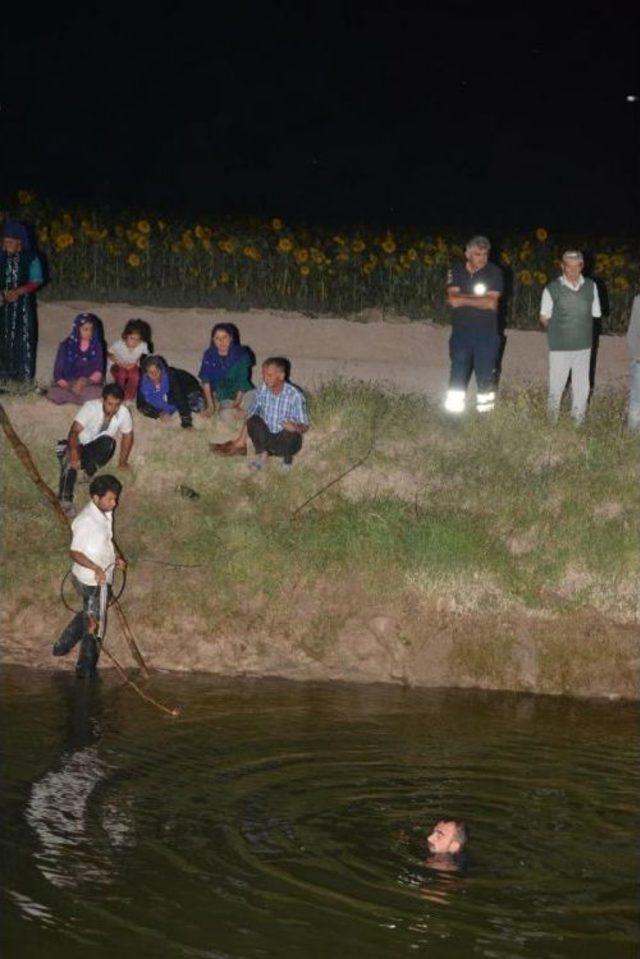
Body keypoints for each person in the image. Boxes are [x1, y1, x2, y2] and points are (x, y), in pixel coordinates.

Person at [53, 474, 126, 679]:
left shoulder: (104, 512)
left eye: (115, 498)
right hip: (93, 581)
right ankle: (85, 669)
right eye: (111, 499)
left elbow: (106, 539)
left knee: (89, 613)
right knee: (96, 623)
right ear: (96, 498)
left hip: (92, 576)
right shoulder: (86, 521)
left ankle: (62, 646)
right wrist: (96, 568)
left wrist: (116, 557)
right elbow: (74, 552)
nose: (115, 503)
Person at [539, 250, 601, 424]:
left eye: (576, 266)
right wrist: (558, 331)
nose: (572, 271)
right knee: (556, 386)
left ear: (582, 266)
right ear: (562, 266)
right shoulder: (551, 288)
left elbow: (595, 314)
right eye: (568, 266)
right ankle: (551, 423)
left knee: (582, 386)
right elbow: (544, 318)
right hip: (559, 348)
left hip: (584, 346)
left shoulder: (591, 286)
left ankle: (578, 422)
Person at [445, 235, 504, 414]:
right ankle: (453, 420)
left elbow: (491, 303)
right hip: (461, 335)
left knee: (486, 379)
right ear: (467, 254)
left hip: (487, 335)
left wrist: (464, 297)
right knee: (457, 379)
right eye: (478, 254)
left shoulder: (494, 272)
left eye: (485, 254)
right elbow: (453, 301)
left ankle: (485, 422)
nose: (483, 258)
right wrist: (480, 298)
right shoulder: (454, 271)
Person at [57, 383, 133, 516]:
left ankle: (88, 473)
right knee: (69, 458)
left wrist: (122, 462)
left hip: (93, 448)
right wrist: (75, 453)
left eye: (117, 404)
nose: (114, 408)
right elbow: (74, 432)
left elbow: (128, 436)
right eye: (110, 403)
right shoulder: (90, 407)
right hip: (77, 444)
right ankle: (65, 499)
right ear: (102, 400)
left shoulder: (123, 412)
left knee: (109, 444)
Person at [243, 357, 309, 472]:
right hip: (267, 439)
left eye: (269, 375)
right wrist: (241, 436)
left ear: (281, 376)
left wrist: (295, 427)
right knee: (253, 421)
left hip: (286, 442)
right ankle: (263, 457)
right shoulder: (262, 390)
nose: (265, 378)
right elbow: (251, 413)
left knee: (289, 431)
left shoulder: (295, 395)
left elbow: (305, 426)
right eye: (263, 374)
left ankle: (287, 461)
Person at [0, 221, 44, 383]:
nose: (5, 246)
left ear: (19, 242)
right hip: (2, 305)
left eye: (9, 242)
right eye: (4, 242)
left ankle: (22, 378)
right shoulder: (1, 256)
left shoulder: (31, 257)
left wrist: (18, 292)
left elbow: (36, 280)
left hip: (22, 306)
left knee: (23, 337)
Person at [199, 322, 254, 438]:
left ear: (231, 338)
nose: (221, 342)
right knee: (225, 415)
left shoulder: (242, 354)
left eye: (225, 337)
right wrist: (210, 406)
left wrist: (237, 404)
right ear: (213, 340)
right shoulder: (209, 355)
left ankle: (249, 417)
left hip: (243, 393)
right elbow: (206, 380)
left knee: (255, 397)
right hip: (225, 396)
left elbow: (243, 383)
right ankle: (244, 418)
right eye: (217, 338)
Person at [47, 312, 105, 405]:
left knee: (99, 392)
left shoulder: (97, 346)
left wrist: (85, 381)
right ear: (77, 329)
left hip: (88, 384)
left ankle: (73, 398)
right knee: (52, 393)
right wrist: (69, 385)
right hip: (68, 383)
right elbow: (58, 371)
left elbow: (98, 370)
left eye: (91, 329)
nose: (89, 333)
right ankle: (77, 398)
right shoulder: (65, 345)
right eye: (85, 329)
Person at [137, 355, 205, 428]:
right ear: (146, 374)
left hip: (188, 387)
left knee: (198, 407)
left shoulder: (171, 376)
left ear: (162, 370)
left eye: (157, 371)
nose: (155, 375)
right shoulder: (143, 383)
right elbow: (141, 405)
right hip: (170, 394)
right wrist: (159, 414)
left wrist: (186, 423)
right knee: (148, 408)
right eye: (151, 373)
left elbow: (179, 397)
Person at [107, 318, 152, 405]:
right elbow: (109, 353)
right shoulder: (118, 344)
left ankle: (129, 396)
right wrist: (118, 362)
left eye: (137, 339)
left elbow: (144, 357)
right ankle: (118, 394)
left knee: (135, 375)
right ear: (125, 336)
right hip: (118, 366)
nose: (134, 342)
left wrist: (135, 364)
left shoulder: (143, 346)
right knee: (122, 373)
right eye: (131, 338)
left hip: (132, 366)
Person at [626, 292, 640, 432]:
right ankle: (631, 442)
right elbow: (632, 332)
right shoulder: (639, 300)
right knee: (637, 403)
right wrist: (637, 356)